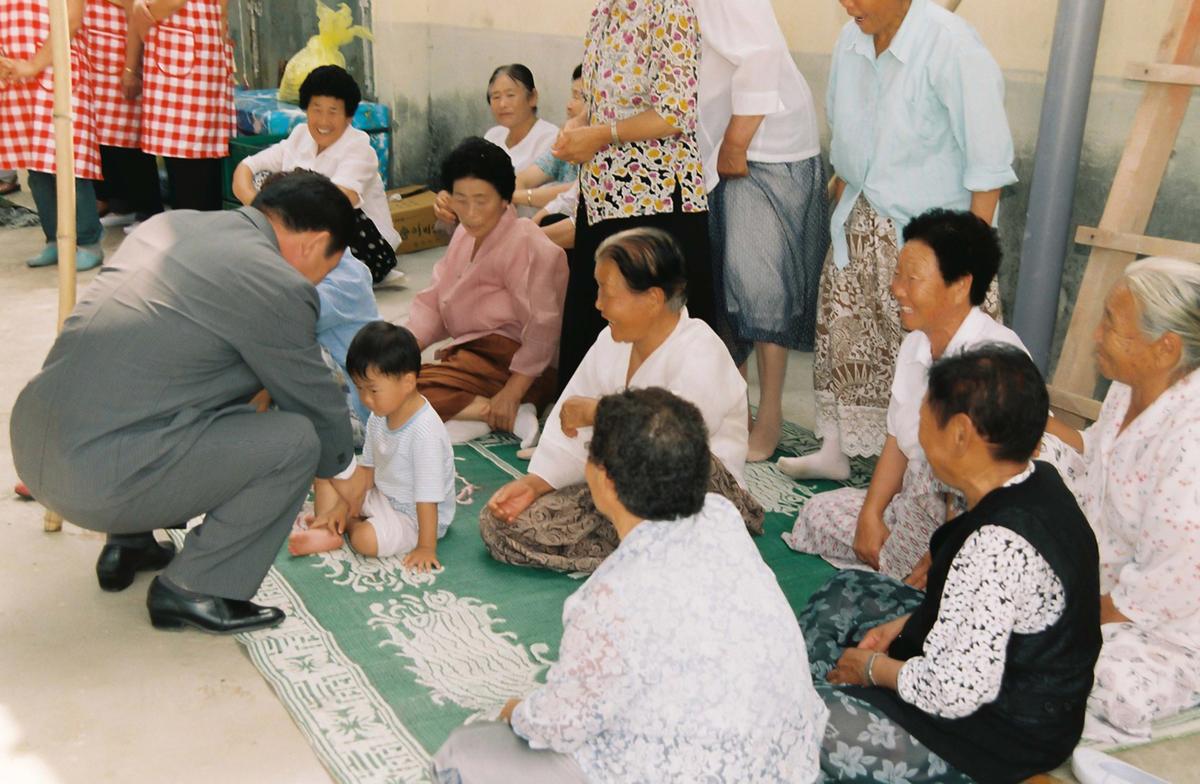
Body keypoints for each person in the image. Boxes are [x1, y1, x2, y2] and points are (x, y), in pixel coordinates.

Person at [10, 172, 358, 634]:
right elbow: (314, 399)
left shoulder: (168, 226)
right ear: (315, 244)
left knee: (183, 378)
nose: (320, 280)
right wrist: (347, 473)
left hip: (35, 443)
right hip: (94, 478)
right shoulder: (275, 282)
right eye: (328, 269)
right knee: (295, 442)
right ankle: (196, 588)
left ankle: (130, 541)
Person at [434, 388, 827, 784]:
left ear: (601, 478)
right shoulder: (722, 515)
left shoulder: (609, 595)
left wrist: (518, 714)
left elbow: (560, 726)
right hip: (786, 763)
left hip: (686, 768)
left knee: (464, 752)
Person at [799, 345, 1101, 783]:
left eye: (926, 414)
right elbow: (985, 614)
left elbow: (953, 691)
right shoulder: (1036, 482)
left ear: (960, 433)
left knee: (809, 721)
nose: (918, 429)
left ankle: (815, 694)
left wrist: (871, 669)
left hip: (1002, 736)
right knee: (847, 589)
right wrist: (907, 623)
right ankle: (817, 684)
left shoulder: (997, 545)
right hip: (1001, 684)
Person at [787, 0, 1015, 481]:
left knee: (941, 356)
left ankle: (938, 468)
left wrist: (966, 263)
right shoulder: (850, 40)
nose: (847, 5)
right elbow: (846, 132)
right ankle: (838, 445)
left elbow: (988, 164)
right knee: (847, 341)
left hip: (933, 238)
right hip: (860, 213)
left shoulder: (952, 44)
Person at [479, 228, 763, 574]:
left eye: (607, 293)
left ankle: (663, 549)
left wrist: (600, 412)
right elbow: (570, 427)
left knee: (683, 470)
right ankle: (651, 551)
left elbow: (677, 439)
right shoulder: (611, 342)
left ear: (653, 299)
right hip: (624, 491)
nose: (597, 304)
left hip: (697, 496)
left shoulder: (701, 348)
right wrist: (537, 483)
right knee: (502, 525)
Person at [784, 209, 1026, 581]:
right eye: (898, 274)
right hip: (914, 504)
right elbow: (897, 440)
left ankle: (931, 571)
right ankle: (907, 564)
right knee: (816, 514)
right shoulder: (915, 343)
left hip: (970, 518)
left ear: (960, 285)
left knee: (919, 562)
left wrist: (942, 547)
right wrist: (871, 513)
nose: (896, 289)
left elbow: (998, 484)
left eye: (912, 278)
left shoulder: (995, 357)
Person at [1040, 258, 1200, 744]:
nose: (1096, 335)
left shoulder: (1192, 443)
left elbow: (1157, 592)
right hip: (1104, 577)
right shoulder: (1128, 386)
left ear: (1164, 347)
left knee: (1101, 682)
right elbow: (1099, 457)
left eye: (1111, 323)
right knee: (1020, 457)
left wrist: (1054, 611)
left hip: (1168, 624)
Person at [551, 0, 715, 391]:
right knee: (597, 315)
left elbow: (676, 114)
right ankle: (587, 428)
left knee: (656, 325)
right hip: (603, 192)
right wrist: (577, 127)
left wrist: (600, 135)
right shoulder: (604, 10)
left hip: (657, 199)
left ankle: (665, 433)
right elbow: (598, 102)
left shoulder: (669, 9)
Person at [693, 0, 829, 461]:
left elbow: (762, 53)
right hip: (722, 144)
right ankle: (737, 412)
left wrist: (736, 141)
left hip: (764, 145)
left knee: (762, 288)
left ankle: (768, 416)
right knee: (729, 288)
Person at [406, 137, 568, 448]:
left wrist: (513, 391)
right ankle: (489, 412)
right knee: (391, 383)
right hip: (473, 357)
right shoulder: (463, 237)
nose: (471, 213)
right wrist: (405, 346)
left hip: (517, 367)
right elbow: (436, 299)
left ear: (505, 199)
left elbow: (542, 327)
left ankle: (506, 407)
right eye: (461, 200)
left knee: (408, 394)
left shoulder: (525, 240)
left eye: (481, 201)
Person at [288, 322, 456, 572]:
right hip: (383, 493)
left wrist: (425, 547)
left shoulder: (425, 433)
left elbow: (427, 499)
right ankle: (333, 525)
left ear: (408, 382)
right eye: (360, 389)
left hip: (414, 516)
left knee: (365, 541)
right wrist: (345, 502)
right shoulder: (380, 416)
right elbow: (367, 471)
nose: (365, 399)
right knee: (328, 473)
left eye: (373, 389)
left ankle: (346, 527)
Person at [234, 64, 400, 283]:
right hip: (308, 238)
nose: (323, 121)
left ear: (348, 116)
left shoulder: (359, 148)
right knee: (267, 184)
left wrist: (276, 215)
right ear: (306, 110)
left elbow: (337, 203)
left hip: (366, 248)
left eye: (333, 111)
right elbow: (246, 168)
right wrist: (259, 207)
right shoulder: (300, 135)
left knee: (324, 202)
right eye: (316, 109)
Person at [0, 0, 104, 271]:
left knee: (68, 162)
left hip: (57, 69)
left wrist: (34, 65)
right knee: (36, 167)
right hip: (14, 74)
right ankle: (54, 240)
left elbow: (71, 19)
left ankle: (87, 241)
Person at [130, 0, 232, 211]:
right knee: (194, 166)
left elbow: (169, 4)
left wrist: (142, 10)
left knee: (189, 169)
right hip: (191, 60)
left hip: (187, 69)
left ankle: (193, 236)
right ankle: (197, 234)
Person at [88, 0, 163, 230]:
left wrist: (131, 68)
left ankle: (149, 209)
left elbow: (135, 13)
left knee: (128, 136)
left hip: (120, 55)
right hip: (94, 58)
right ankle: (121, 203)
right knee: (101, 135)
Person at [516, 65, 584, 220]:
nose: (569, 106)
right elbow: (524, 178)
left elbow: (575, 191)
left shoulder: (608, 149)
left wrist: (515, 196)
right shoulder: (564, 140)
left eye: (578, 97)